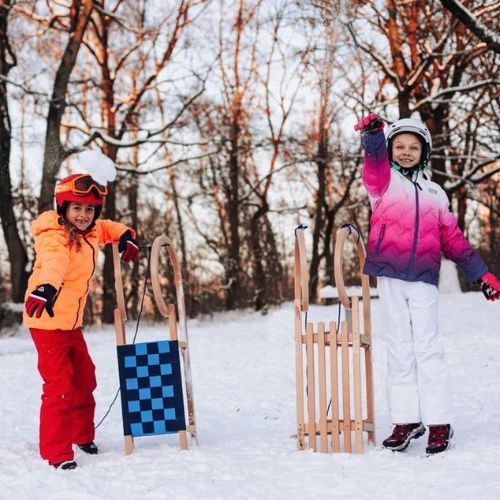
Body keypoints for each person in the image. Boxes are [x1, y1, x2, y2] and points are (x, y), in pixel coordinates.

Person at [354, 114, 500, 454]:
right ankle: (406, 419)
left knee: (428, 347)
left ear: (425, 152)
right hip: (389, 277)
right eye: (400, 146)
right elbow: (373, 167)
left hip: (422, 279)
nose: (406, 152)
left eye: (413, 147)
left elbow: (454, 240)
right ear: (391, 150)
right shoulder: (383, 184)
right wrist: (374, 137)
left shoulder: (436, 194)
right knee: (398, 347)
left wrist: (482, 274)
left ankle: (438, 421)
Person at [23, 168, 139, 470]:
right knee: (60, 386)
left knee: (85, 378)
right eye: (77, 208)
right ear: (63, 208)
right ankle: (56, 452)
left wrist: (126, 235)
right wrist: (45, 287)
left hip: (71, 325)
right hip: (47, 322)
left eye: (89, 209)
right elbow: (53, 262)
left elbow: (108, 227)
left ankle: (82, 435)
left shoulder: (90, 232)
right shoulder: (54, 236)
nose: (83, 215)